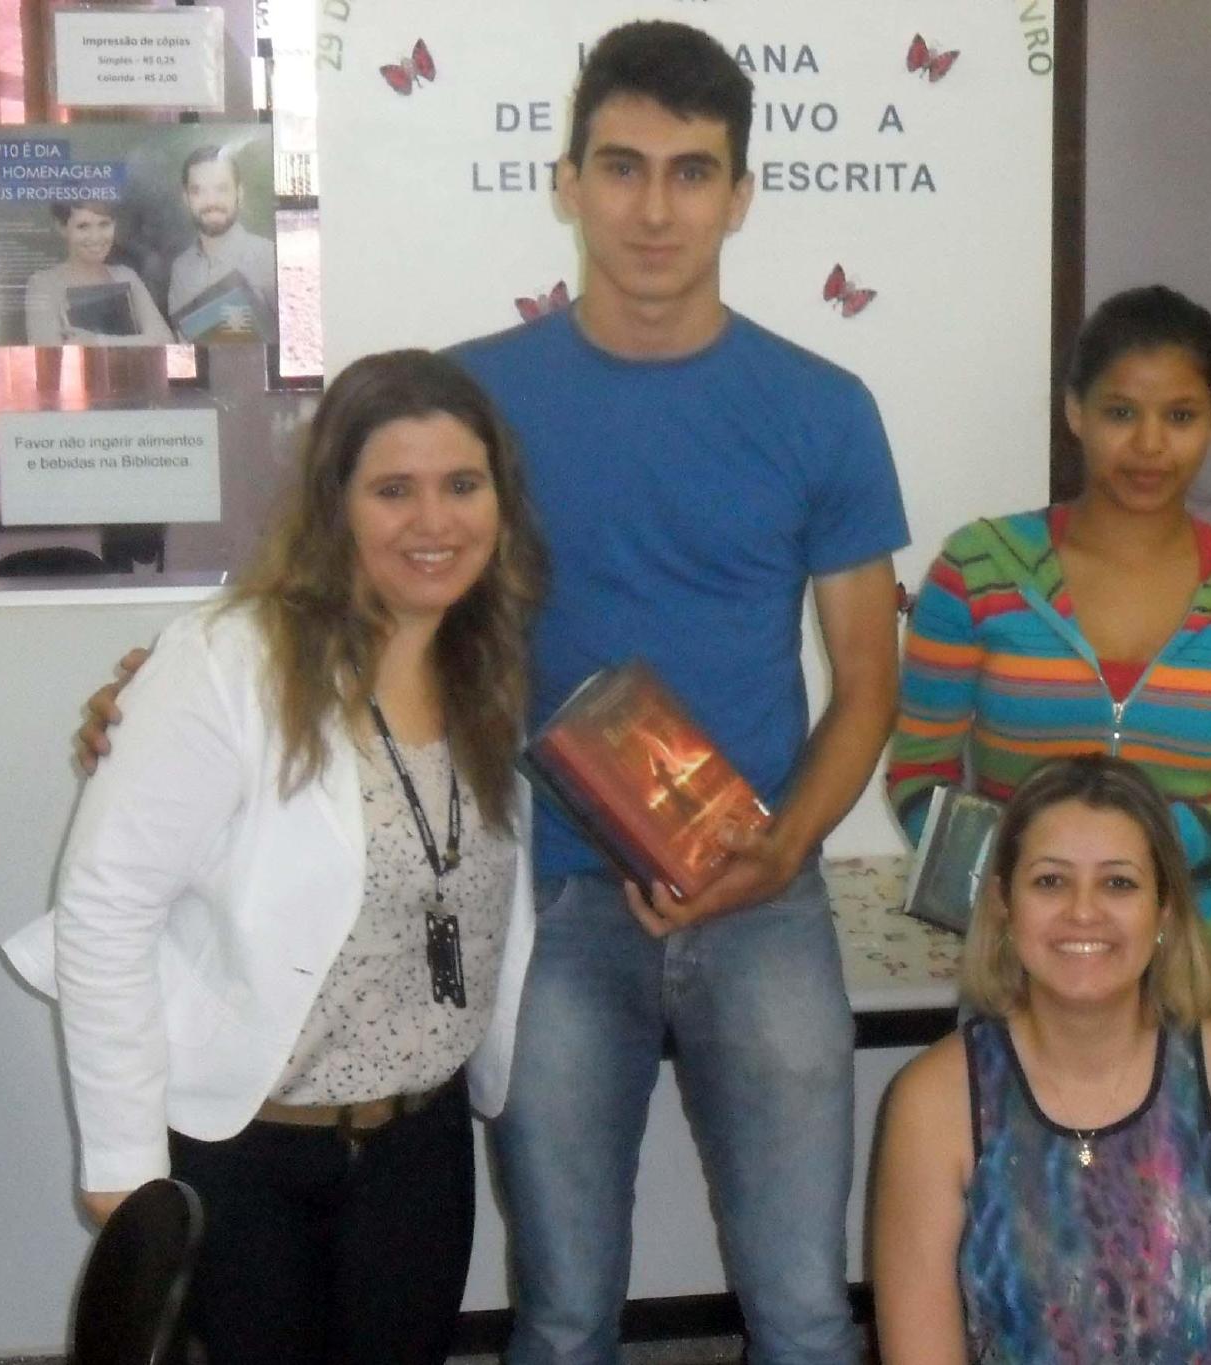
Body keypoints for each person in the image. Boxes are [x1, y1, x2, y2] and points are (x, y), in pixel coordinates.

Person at [84, 25, 906, 1363]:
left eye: (692, 172)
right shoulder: (477, 404)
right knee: (565, 1313)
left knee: (807, 1311)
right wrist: (168, 685)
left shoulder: (825, 407)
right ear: (567, 182)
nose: (654, 208)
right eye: (622, 167)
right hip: (544, 902)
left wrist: (781, 849)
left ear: (741, 195)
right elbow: (340, 596)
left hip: (763, 894)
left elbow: (868, 681)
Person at [4, 349, 546, 1363]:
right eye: (394, 490)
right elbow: (106, 908)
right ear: (335, 503)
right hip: (247, 1148)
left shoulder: (490, 663)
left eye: (462, 485)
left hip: (419, 1141)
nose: (434, 521)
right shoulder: (229, 661)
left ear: (500, 502)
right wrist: (124, 1164)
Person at [889, 285, 1211, 1047]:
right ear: (1075, 411)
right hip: (1025, 970)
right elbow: (916, 779)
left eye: (1181, 416)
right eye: (1121, 412)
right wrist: (1036, 875)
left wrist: (1174, 840)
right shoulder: (979, 569)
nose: (1150, 445)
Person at [872, 754, 1211, 1364]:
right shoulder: (933, 1102)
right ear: (1003, 903)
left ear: (1164, 909)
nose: (1083, 911)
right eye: (1050, 882)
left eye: (1119, 883)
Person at [22, 198, 173, 345]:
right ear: (62, 228)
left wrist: (96, 341)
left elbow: (164, 339)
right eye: (83, 226)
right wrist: (138, 342)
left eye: (104, 224)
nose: (96, 237)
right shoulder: (44, 284)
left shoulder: (125, 275)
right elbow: (48, 353)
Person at [167, 145, 277, 341]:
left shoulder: (270, 257)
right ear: (186, 199)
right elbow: (183, 341)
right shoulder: (180, 269)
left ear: (239, 193)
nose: (211, 201)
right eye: (198, 191)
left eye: (222, 189)